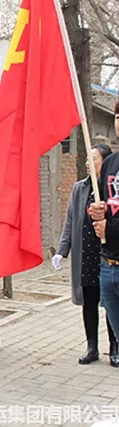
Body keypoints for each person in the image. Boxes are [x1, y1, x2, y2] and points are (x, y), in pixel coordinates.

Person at [53, 143, 117, 366]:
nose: (89, 163)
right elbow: (70, 222)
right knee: (89, 302)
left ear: (105, 163)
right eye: (88, 159)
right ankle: (92, 346)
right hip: (87, 252)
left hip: (107, 253)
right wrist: (62, 251)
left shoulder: (111, 187)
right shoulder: (80, 188)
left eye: (94, 159)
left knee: (110, 303)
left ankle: (115, 347)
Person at [89, 100, 119, 367]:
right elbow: (108, 206)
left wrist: (109, 227)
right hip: (108, 263)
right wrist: (98, 211)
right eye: (118, 117)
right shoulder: (111, 164)